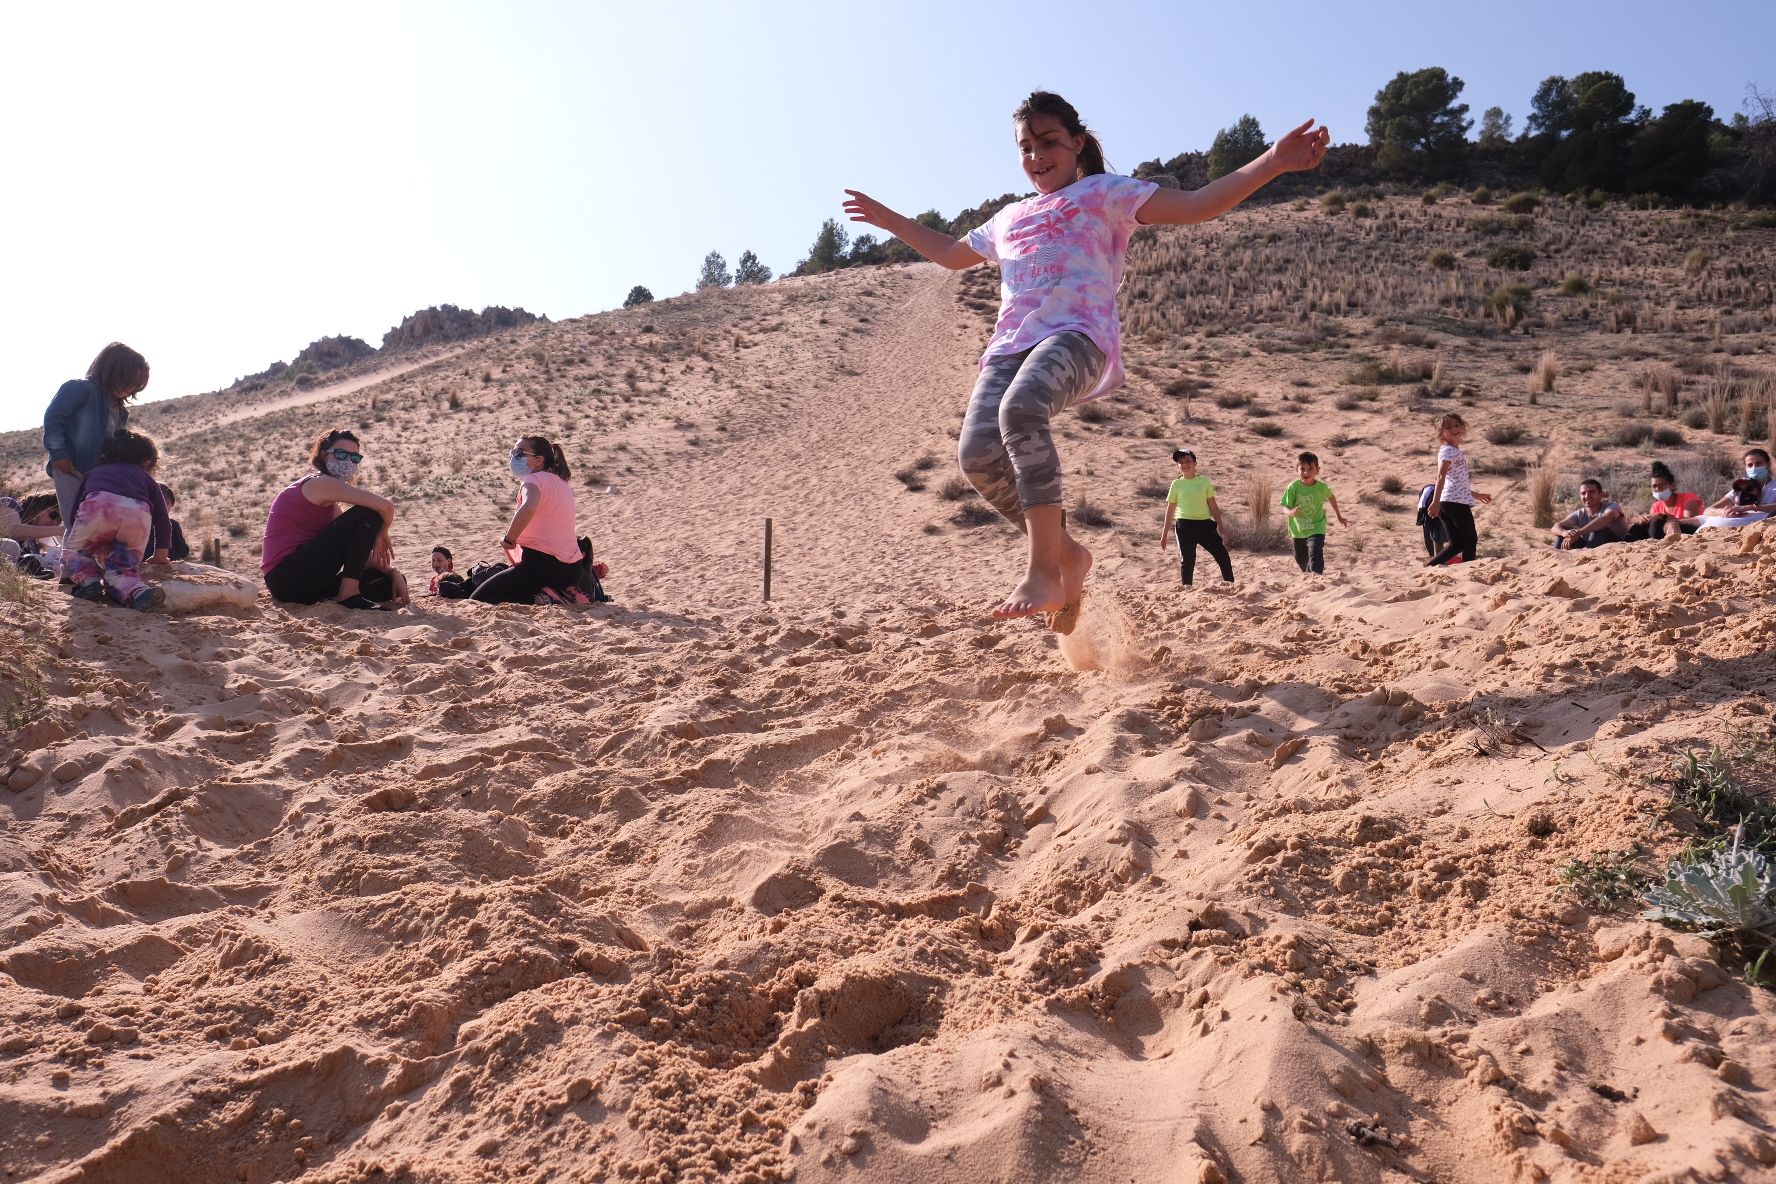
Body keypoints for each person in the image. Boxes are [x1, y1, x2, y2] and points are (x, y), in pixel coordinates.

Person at [842, 91, 1328, 631]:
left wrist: (1274, 162)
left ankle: (1043, 571)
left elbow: (1197, 204)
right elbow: (953, 255)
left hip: (1078, 336)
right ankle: (1068, 557)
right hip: (1008, 347)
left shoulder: (1104, 194)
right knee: (977, 455)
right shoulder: (1008, 218)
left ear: (1076, 144)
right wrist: (891, 221)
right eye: (1025, 147)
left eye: (1048, 142)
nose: (1035, 156)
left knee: (1021, 411)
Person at [261, 429, 408, 610]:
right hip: (286, 577)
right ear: (323, 456)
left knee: (383, 583)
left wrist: (393, 572)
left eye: (354, 458)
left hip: (302, 583)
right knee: (368, 513)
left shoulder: (329, 504)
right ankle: (349, 594)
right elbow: (385, 507)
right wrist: (382, 531)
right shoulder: (319, 483)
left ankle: (344, 593)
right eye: (340, 454)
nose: (347, 462)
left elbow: (355, 547)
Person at [42, 343, 151, 546]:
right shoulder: (79, 389)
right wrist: (59, 453)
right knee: (76, 520)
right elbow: (54, 418)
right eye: (129, 381)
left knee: (94, 519)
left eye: (136, 386)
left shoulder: (120, 410)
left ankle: (74, 571)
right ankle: (77, 570)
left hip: (100, 475)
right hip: (69, 467)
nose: (131, 389)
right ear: (113, 370)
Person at [63, 429, 170, 610]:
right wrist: (161, 554)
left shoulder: (94, 473)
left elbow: (74, 512)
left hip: (98, 508)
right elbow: (162, 519)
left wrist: (83, 535)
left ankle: (89, 583)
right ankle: (138, 592)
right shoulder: (147, 479)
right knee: (123, 567)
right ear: (147, 461)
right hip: (138, 516)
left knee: (76, 553)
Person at [472, 436, 584, 605]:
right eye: (513, 452)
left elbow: (529, 507)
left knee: (479, 599)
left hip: (543, 566)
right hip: (573, 569)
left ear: (538, 460)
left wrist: (509, 539)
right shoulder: (561, 482)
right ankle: (551, 593)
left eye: (519, 453)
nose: (513, 457)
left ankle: (547, 598)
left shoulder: (533, 480)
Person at [1158, 448, 1233, 586]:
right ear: (1178, 465)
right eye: (1181, 462)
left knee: (1223, 556)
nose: (1185, 464)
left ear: (1195, 463)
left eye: (1188, 461)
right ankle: (1187, 590)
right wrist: (1164, 535)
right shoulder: (1176, 484)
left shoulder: (1204, 481)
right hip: (1184, 526)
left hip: (1205, 525)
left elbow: (1213, 505)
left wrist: (1221, 525)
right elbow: (1170, 510)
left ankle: (1230, 586)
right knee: (1187, 560)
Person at [1425, 413, 1492, 566]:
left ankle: (1430, 566)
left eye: (1456, 425)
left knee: (1456, 543)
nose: (1454, 429)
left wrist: (1476, 495)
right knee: (1470, 539)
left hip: (1449, 501)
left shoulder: (1452, 450)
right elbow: (1440, 476)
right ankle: (1469, 570)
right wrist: (1435, 502)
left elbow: (1456, 483)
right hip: (1453, 502)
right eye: (1448, 427)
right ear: (1441, 433)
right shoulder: (1449, 451)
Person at [1281, 451, 1348, 575]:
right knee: (1300, 558)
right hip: (1298, 530)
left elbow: (1331, 497)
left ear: (1317, 470)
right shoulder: (1293, 487)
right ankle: (1309, 575)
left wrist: (1339, 515)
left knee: (1315, 551)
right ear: (1297, 470)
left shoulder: (1321, 487)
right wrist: (1290, 512)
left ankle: (1317, 576)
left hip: (1317, 527)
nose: (1306, 472)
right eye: (1302, 469)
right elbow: (1285, 508)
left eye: (1310, 468)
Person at [1625, 461, 1703, 541]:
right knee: (1638, 528)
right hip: (1662, 533)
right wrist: (1641, 520)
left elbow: (1690, 522)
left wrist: (1662, 516)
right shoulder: (1656, 506)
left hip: (1688, 532)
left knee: (1657, 523)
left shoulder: (1689, 498)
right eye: (1654, 486)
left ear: (1672, 485)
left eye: (1662, 485)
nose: (1658, 489)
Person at [1550, 479, 1629, 550]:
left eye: (1592, 492)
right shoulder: (1579, 514)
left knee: (1600, 530)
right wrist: (1565, 533)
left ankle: (1586, 555)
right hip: (1592, 546)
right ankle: (1556, 560)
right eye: (1583, 493)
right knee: (1561, 536)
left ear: (1601, 494)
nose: (1587, 496)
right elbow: (1555, 526)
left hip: (1618, 547)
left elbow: (1605, 518)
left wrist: (1579, 532)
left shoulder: (1612, 507)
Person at [1, 493, 63, 578]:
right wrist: (62, 530)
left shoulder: (33, 545)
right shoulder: (10, 504)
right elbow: (12, 530)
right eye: (53, 515)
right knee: (11, 546)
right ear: (39, 507)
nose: (55, 522)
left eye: (59, 520)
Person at [154, 483, 191, 561]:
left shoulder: (141, 524)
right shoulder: (173, 525)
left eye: (165, 503)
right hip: (169, 570)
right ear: (172, 503)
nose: (161, 507)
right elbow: (183, 552)